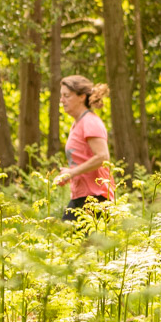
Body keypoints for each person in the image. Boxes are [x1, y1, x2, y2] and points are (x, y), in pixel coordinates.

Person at [55, 75, 112, 218]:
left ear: (81, 97)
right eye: (61, 96)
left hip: (96, 198)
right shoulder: (77, 124)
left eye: (66, 96)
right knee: (67, 237)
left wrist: (72, 173)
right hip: (81, 196)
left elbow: (103, 157)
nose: (62, 100)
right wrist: (69, 174)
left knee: (71, 238)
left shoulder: (90, 122)